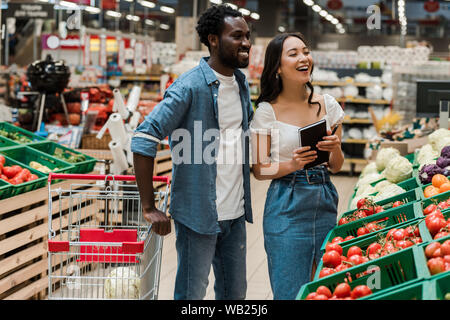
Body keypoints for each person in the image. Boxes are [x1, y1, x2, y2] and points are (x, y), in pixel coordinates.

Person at [131, 4, 253, 300]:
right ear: (213, 39)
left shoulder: (241, 83)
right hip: (198, 216)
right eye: (237, 36)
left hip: (235, 214)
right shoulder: (189, 86)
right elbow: (144, 137)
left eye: (248, 36)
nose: (246, 43)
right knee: (190, 295)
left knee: (235, 294)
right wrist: (148, 207)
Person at [250, 32, 345, 300]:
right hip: (286, 205)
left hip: (324, 198)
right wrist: (292, 163)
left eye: (306, 51)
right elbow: (260, 170)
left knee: (325, 288)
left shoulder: (328, 105)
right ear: (277, 68)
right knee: (290, 290)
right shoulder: (267, 111)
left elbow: (337, 166)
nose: (304, 58)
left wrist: (335, 148)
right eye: (294, 54)